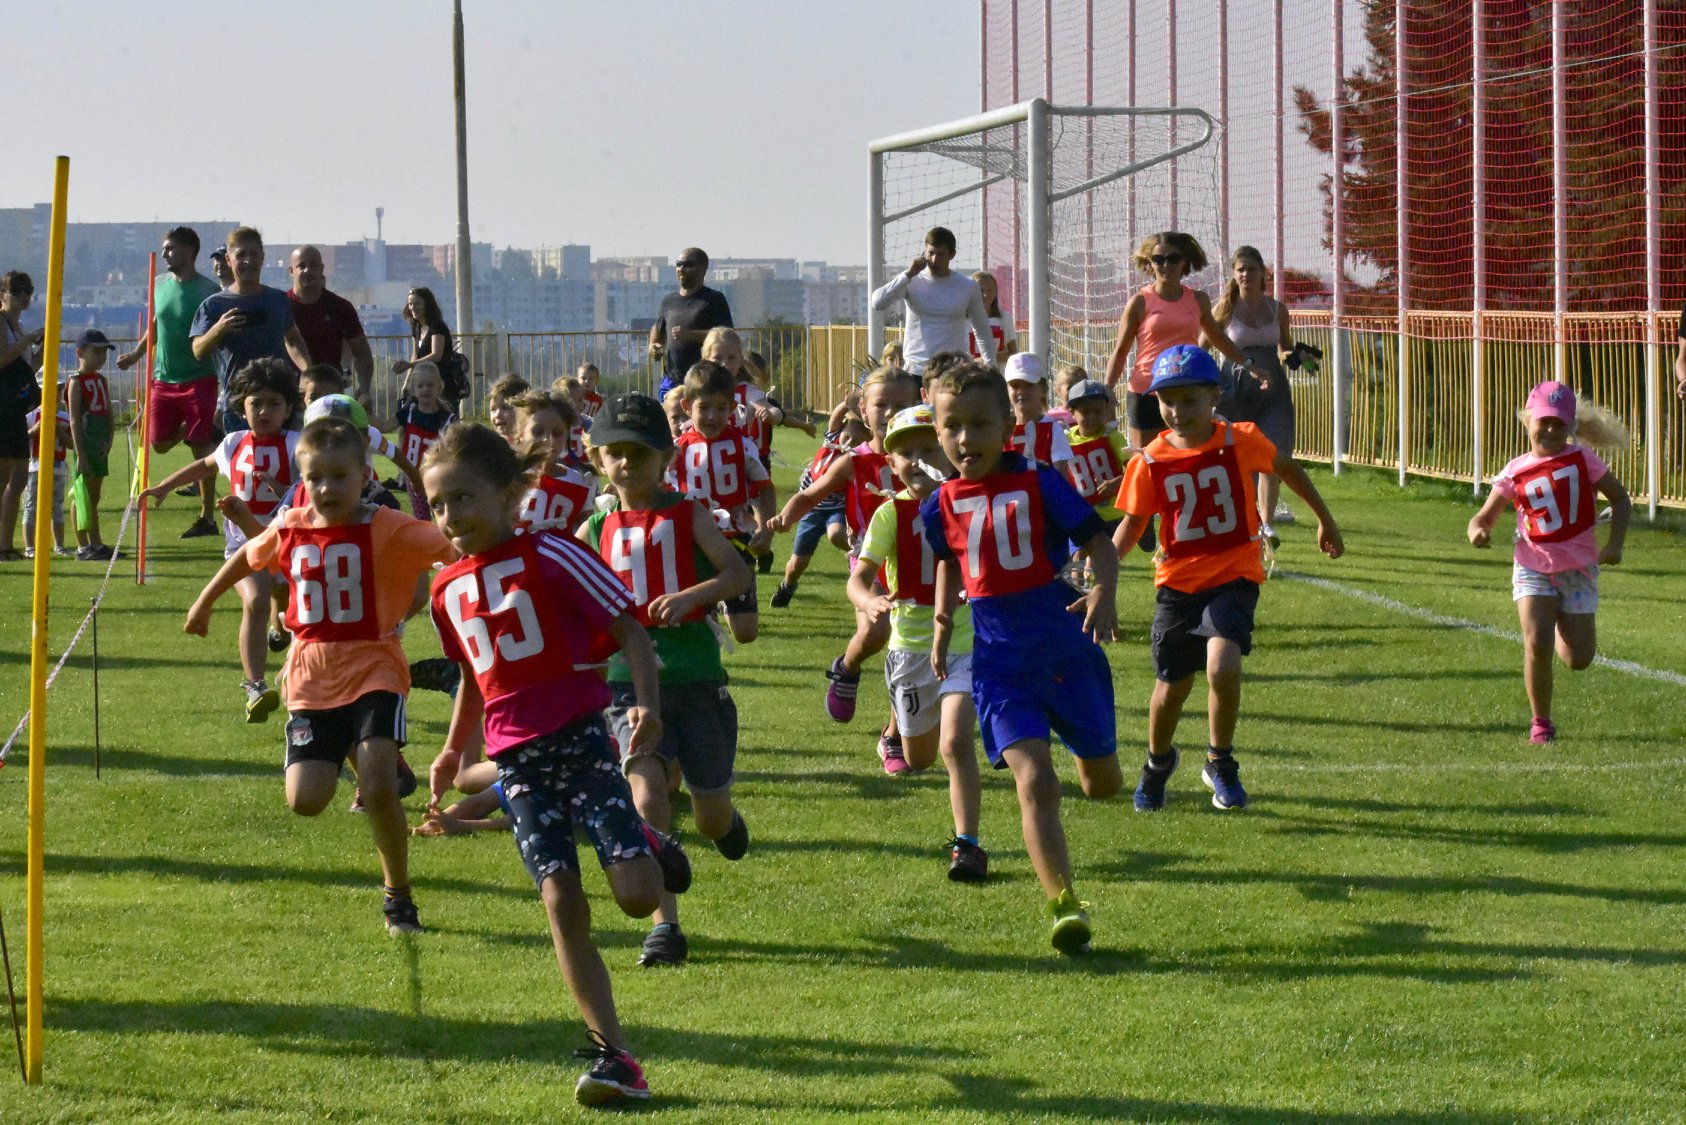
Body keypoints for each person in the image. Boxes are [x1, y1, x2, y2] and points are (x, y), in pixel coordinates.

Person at [422, 422, 691, 1105]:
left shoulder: (554, 552)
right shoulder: (446, 587)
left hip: (578, 739)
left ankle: (653, 841)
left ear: (510, 493)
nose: (451, 516)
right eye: (438, 503)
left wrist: (647, 708)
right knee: (559, 896)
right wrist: (454, 749)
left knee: (635, 896)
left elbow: (629, 625)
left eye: (464, 498)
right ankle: (615, 1056)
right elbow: (470, 675)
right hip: (516, 764)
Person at [184, 416, 455, 939]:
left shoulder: (389, 526)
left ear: (364, 474)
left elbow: (451, 546)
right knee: (305, 800)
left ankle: (398, 896)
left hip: (376, 664)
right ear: (301, 478)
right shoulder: (291, 525)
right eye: (315, 477)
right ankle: (365, 751)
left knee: (377, 789)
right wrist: (204, 602)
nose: (326, 488)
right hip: (311, 674)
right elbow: (247, 554)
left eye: (339, 476)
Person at [923, 360, 1121, 954]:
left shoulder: (1038, 482)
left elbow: (1098, 541)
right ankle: (1064, 906)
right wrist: (941, 625)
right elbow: (948, 561)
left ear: (1009, 424)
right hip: (1001, 666)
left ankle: (1102, 762)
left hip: (1066, 649)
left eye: (980, 425)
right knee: (1034, 780)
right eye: (952, 426)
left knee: (1102, 784)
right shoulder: (939, 505)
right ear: (937, 431)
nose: (966, 439)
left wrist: (1103, 593)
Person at [1113, 346, 1344, 812]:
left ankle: (1220, 760)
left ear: (1214, 396)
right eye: (1167, 401)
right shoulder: (1150, 460)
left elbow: (1287, 468)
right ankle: (1157, 762)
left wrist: (1325, 519)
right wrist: (1100, 577)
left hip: (1235, 573)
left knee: (1222, 665)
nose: (1178, 411)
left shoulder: (1240, 440)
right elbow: (1133, 526)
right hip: (1177, 583)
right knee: (1172, 687)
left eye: (1189, 400)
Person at [581, 391, 754, 966]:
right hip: (625, 685)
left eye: (639, 452)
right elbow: (568, 591)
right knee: (646, 790)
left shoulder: (688, 514)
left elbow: (736, 572)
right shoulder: (595, 525)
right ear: (597, 458)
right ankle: (665, 926)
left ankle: (725, 821)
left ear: (665, 457)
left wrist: (689, 598)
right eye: (614, 453)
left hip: (695, 679)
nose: (626, 464)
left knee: (709, 816)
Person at [851, 404, 987, 879]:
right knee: (920, 757)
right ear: (891, 464)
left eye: (928, 448)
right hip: (909, 648)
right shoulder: (890, 514)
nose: (917, 459)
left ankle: (967, 845)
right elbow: (859, 577)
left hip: (966, 641)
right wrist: (867, 602)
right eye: (905, 452)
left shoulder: (968, 500)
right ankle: (892, 733)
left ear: (949, 451)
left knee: (956, 742)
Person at [1467, 380, 1631, 744]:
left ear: (1572, 427)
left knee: (1578, 658)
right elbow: (1483, 518)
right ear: (1527, 422)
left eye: (1560, 424)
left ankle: (1560, 623)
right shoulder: (1514, 471)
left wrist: (1615, 544)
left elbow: (1621, 500)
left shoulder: (1583, 460)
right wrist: (1477, 532)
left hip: (1578, 570)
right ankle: (1541, 723)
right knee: (1536, 643)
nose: (1552, 430)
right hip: (1532, 566)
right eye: (1544, 422)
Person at [143, 358, 304, 722]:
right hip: (242, 548)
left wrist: (281, 488)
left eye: (274, 404)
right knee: (256, 599)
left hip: (289, 547)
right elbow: (204, 466)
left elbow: (307, 486)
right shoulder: (232, 443)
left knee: (286, 602)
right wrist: (165, 486)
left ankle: (279, 631)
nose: (264, 411)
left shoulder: (296, 444)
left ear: (289, 408)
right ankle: (255, 687)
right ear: (241, 406)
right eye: (255, 403)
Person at [768, 367, 917, 760]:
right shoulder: (854, 461)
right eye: (881, 404)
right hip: (869, 561)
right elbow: (811, 494)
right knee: (876, 631)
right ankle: (848, 666)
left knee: (905, 648)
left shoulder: (929, 457)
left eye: (901, 405)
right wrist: (786, 516)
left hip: (917, 562)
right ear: (863, 412)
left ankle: (894, 737)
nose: (889, 412)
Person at [1102, 232, 1269, 453]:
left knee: (1188, 458)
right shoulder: (1140, 302)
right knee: (1147, 461)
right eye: (1158, 259)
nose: (1165, 265)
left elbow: (1217, 338)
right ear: (1150, 263)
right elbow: (1121, 350)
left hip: (1186, 393)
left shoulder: (1197, 299)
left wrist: (1249, 365)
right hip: (1146, 392)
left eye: (1172, 258)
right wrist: (1106, 390)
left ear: (1184, 261)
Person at [119, 227, 224, 539]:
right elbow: (155, 324)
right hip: (163, 379)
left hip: (199, 377)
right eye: (164, 249)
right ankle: (191, 430)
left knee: (200, 447)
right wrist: (136, 355)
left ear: (189, 252)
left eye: (171, 249)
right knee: (159, 444)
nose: (165, 254)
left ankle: (207, 516)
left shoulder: (208, 290)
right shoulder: (159, 285)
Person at [666, 360, 776, 645]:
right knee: (698, 623)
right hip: (693, 542)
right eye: (704, 408)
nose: (713, 416)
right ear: (688, 407)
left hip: (736, 539)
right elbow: (661, 492)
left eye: (721, 408)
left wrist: (766, 528)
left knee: (745, 633)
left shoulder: (743, 444)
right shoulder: (677, 450)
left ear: (733, 407)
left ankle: (726, 600)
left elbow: (764, 488)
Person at [1207, 245, 1299, 545]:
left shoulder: (1277, 309)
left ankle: (1267, 523)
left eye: (1252, 269)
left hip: (1272, 388)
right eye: (1241, 269)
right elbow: (1202, 347)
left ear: (1263, 273)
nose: (1246, 274)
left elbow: (1284, 345)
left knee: (1274, 453)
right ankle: (1246, 518)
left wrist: (1294, 357)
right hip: (1234, 389)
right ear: (1234, 275)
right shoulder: (1224, 310)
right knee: (1238, 456)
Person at [189, 226, 311, 435]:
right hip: (239, 403)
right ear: (229, 260)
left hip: (279, 400)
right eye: (241, 255)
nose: (248, 261)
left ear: (262, 258)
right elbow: (198, 350)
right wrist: (219, 329)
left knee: (284, 461)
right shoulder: (214, 305)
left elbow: (292, 338)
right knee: (242, 465)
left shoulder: (277, 300)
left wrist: (308, 372)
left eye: (253, 254)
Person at [770, 397, 867, 609]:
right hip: (811, 509)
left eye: (857, 443)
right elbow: (835, 418)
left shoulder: (857, 461)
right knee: (797, 564)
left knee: (836, 534)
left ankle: (860, 555)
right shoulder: (831, 440)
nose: (849, 444)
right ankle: (787, 585)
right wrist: (846, 404)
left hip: (836, 508)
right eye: (847, 437)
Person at [869, 227, 994, 376]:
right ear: (924, 253)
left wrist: (991, 367)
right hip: (916, 369)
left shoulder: (967, 286)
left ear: (952, 255)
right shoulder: (911, 280)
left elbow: (982, 329)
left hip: (953, 370)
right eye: (931, 253)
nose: (935, 260)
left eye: (941, 254)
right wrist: (908, 273)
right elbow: (877, 303)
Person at [287, 245, 374, 402]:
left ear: (322, 269)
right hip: (289, 395)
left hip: (330, 393)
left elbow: (361, 351)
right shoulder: (281, 306)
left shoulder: (340, 307)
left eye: (313, 265)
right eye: (301, 266)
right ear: (291, 271)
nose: (307, 270)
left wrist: (365, 390)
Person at [374, 361, 455, 519]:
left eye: (430, 385)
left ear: (440, 387)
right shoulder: (408, 413)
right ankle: (425, 543)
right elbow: (384, 427)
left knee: (444, 516)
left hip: (438, 475)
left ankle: (443, 542)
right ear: (413, 390)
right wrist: (362, 412)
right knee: (421, 518)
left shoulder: (447, 419)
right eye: (421, 386)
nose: (425, 389)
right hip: (413, 475)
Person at [649, 248, 733, 401]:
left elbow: (725, 335)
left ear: (703, 269)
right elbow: (658, 328)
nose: (681, 269)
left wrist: (690, 335)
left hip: (704, 379)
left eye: (688, 265)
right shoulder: (668, 301)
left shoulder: (714, 299)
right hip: (672, 380)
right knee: (670, 422)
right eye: (678, 264)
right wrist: (653, 345)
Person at [0, 271, 43, 561]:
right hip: (3, 405)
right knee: (4, 475)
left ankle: (6, 544)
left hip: (16, 407)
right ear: (2, 294)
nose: (23, 297)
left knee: (18, 478)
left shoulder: (19, 324)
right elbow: (2, 358)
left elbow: (30, 367)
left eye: (27, 291)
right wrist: (28, 339)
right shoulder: (1, 321)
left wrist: (42, 346)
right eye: (16, 291)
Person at [513, 391, 597, 535]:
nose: (548, 439)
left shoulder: (577, 482)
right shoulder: (510, 478)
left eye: (557, 433)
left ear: (567, 435)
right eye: (538, 432)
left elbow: (588, 531)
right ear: (521, 433)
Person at [67, 330, 115, 559]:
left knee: (94, 497)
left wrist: (110, 439)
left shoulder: (101, 380)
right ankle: (82, 546)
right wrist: (81, 453)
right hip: (85, 444)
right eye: (96, 352)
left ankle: (97, 543)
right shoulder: (76, 382)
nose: (101, 357)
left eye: (104, 353)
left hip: (99, 444)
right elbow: (75, 419)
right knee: (81, 495)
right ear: (80, 353)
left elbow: (108, 412)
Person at [1063, 379, 1130, 522]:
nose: (1092, 417)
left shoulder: (1113, 436)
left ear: (1106, 409)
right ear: (1072, 412)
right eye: (1085, 412)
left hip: (1117, 514)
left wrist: (1117, 482)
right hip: (1084, 516)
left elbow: (1134, 469)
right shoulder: (1064, 440)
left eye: (1098, 411)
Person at [393, 287, 466, 409]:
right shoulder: (416, 327)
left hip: (441, 381)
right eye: (410, 304)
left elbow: (436, 355)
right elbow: (416, 354)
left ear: (427, 305)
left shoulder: (437, 326)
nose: (413, 308)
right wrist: (407, 382)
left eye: (417, 304)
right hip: (423, 381)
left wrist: (409, 364)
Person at [1004, 354, 1074, 475]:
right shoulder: (1000, 430)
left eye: (1029, 385)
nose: (1021, 391)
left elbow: (1061, 481)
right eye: (1015, 386)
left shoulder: (1053, 430)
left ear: (1043, 390)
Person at [21, 382, 70, 559]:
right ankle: (30, 547)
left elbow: (72, 444)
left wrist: (60, 432)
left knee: (56, 507)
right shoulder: (32, 415)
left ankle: (60, 545)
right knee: (31, 506)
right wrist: (36, 429)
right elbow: (21, 439)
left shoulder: (65, 416)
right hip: (36, 465)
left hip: (58, 466)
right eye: (50, 389)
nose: (55, 393)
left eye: (58, 390)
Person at [968, 270, 1018, 365]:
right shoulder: (962, 320)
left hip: (998, 376)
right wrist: (988, 358)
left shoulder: (1005, 318)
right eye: (980, 290)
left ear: (996, 292)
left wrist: (1001, 357)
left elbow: (1014, 354)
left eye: (990, 290)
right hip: (970, 376)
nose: (985, 295)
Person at [487, 373, 530, 444]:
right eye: (493, 409)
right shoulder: (492, 446)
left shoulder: (529, 446)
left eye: (505, 408)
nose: (497, 415)